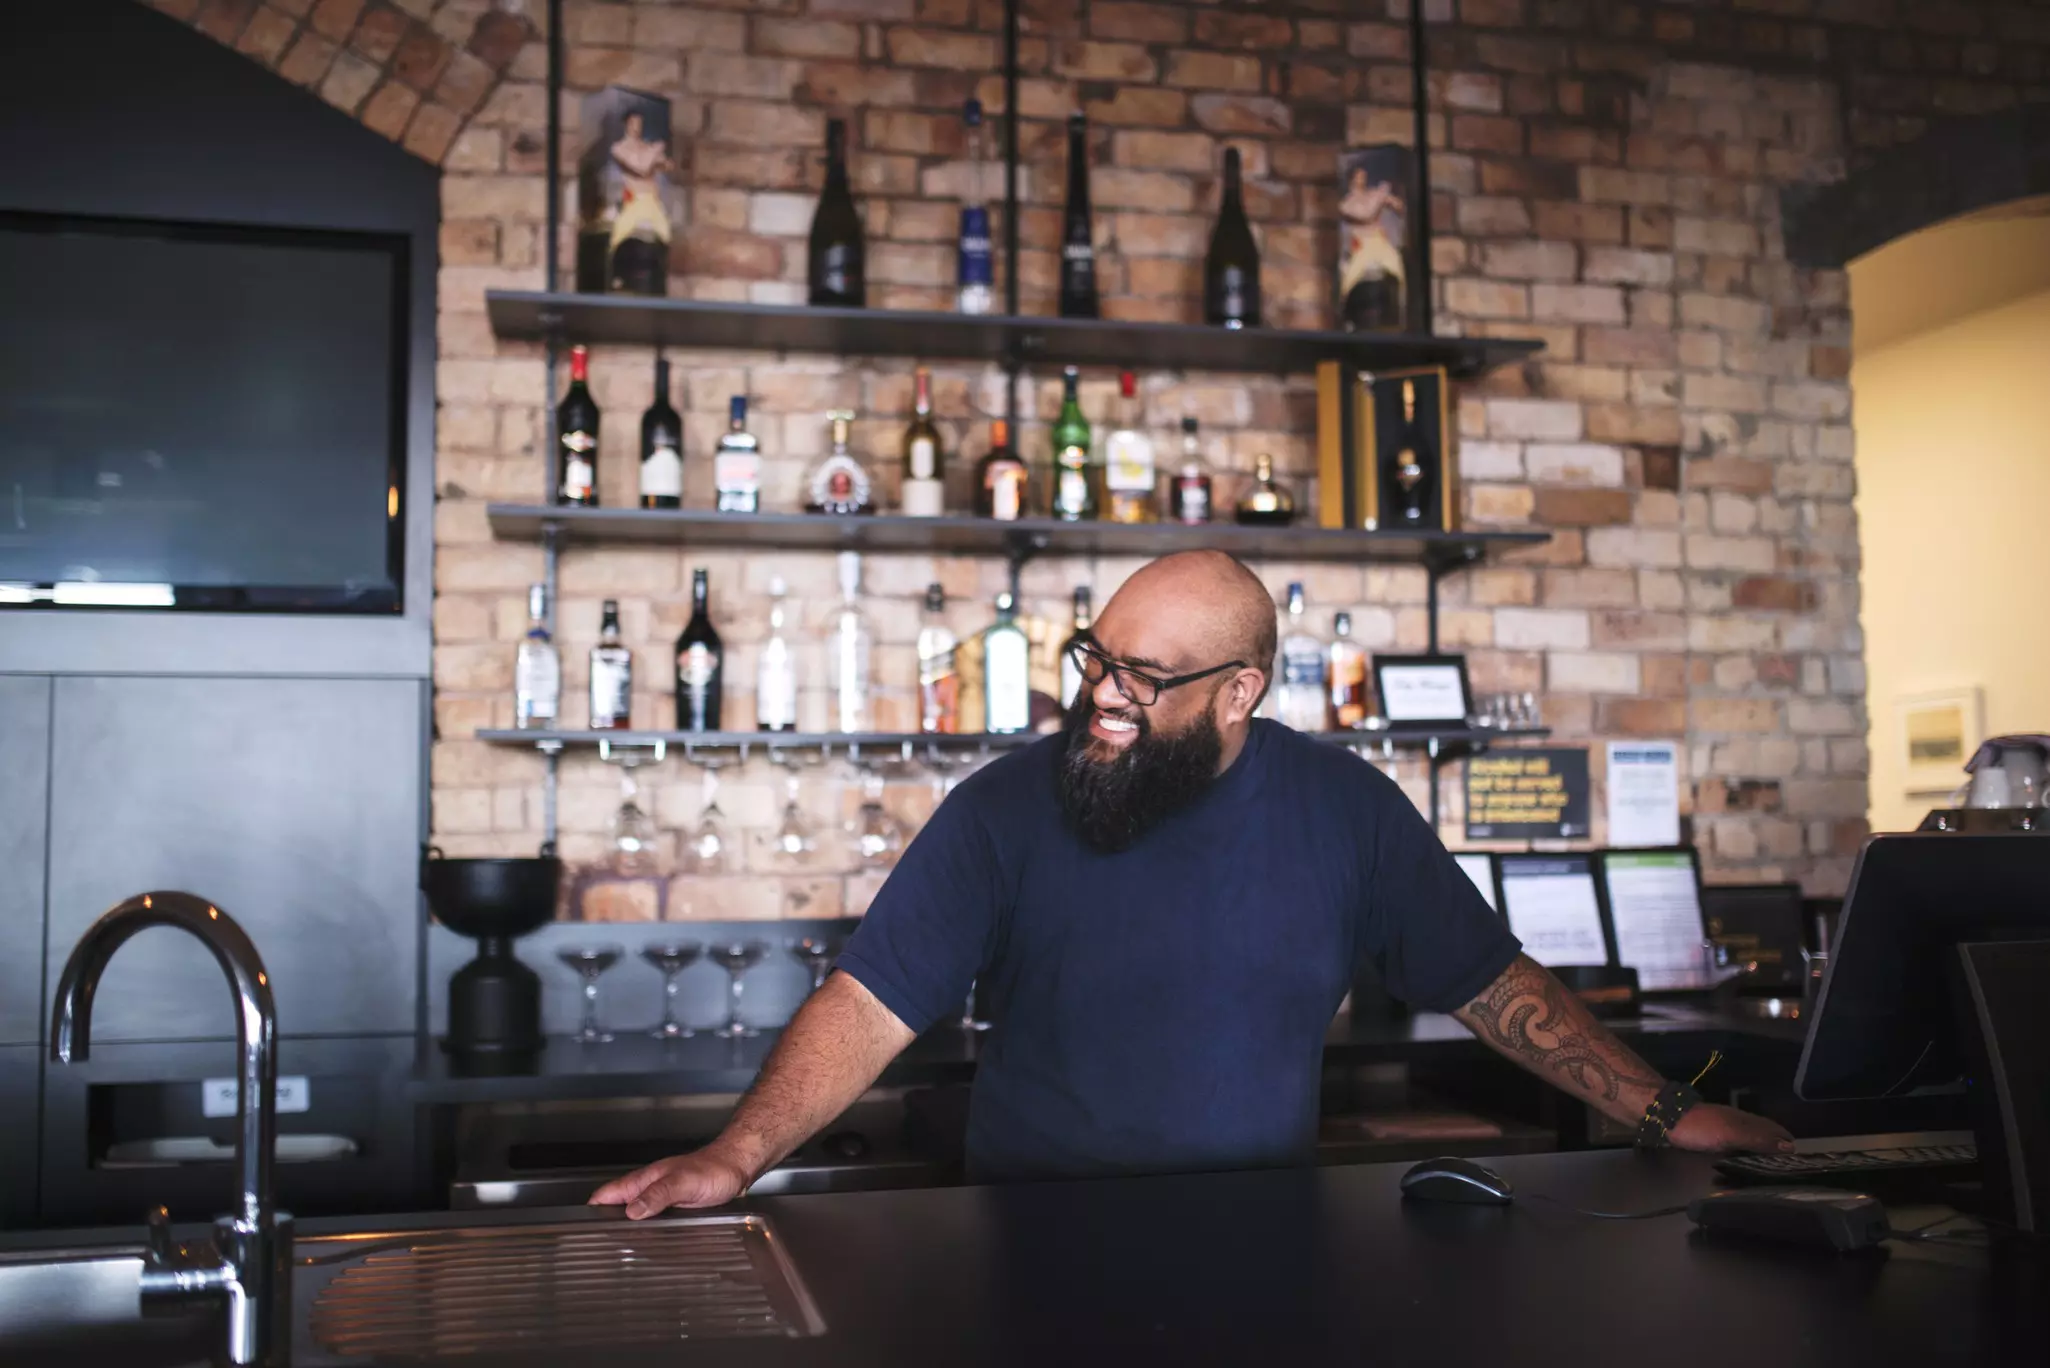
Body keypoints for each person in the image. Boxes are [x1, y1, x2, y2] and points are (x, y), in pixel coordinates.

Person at [593, 552, 1792, 1217]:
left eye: (1145, 677)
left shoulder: (1346, 811)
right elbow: (870, 1000)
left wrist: (1660, 1111)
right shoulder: (1004, 808)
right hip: (1026, 1239)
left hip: (1265, 1241)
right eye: (1096, 658)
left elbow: (1490, 984)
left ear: (1238, 694)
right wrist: (735, 1156)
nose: (1105, 694)